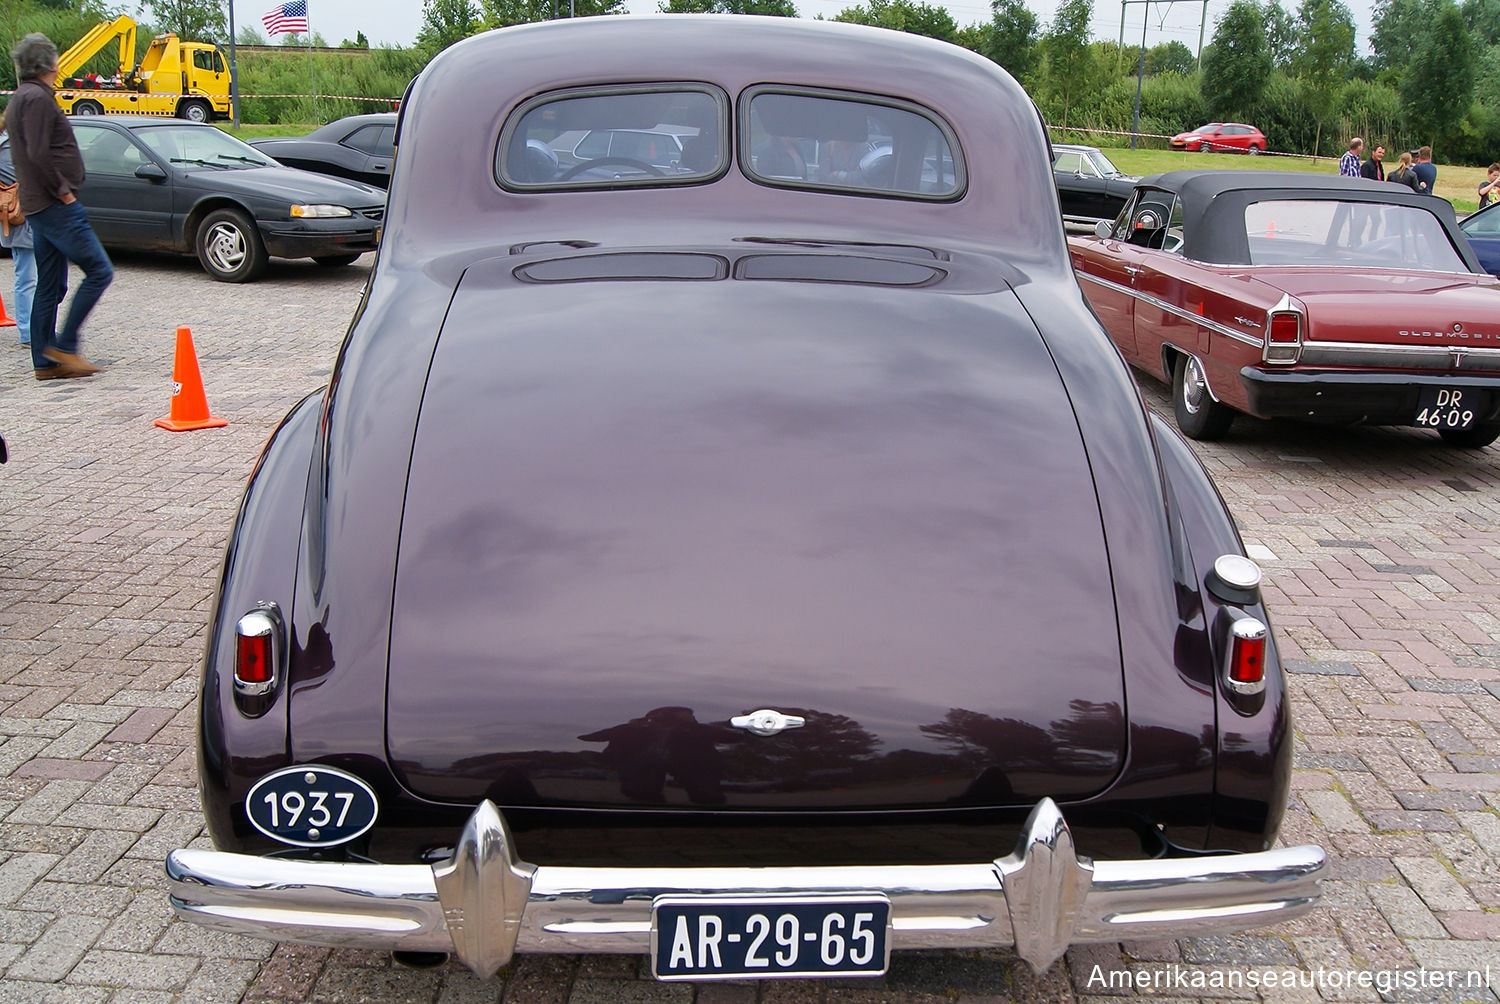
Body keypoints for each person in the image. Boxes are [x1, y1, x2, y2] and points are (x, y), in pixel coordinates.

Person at [7, 32, 111, 379]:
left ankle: (44, 361)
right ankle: (65, 348)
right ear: (50, 63)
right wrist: (64, 191)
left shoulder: (22, 96)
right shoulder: (37, 99)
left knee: (50, 284)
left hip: (38, 206)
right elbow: (38, 152)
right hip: (54, 205)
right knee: (99, 271)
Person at [0, 114, 38, 349]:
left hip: (27, 216)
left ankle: (33, 328)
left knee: (30, 275)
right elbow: (22, 179)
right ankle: (28, 331)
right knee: (27, 276)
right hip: (24, 217)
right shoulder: (8, 149)